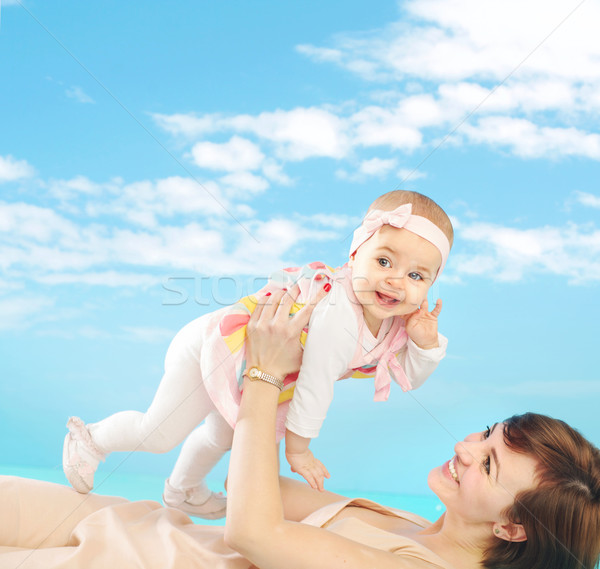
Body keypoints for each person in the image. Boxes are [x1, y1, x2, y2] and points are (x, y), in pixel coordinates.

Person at [3, 288, 600, 569]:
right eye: (486, 435)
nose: (465, 448)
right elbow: (254, 494)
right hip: (129, 522)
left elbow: (253, 532)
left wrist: (266, 375)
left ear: (513, 526)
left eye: (489, 464)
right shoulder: (413, 526)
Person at [62, 190, 453, 519]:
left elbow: (408, 377)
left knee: (220, 436)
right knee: (160, 431)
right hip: (214, 350)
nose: (395, 280)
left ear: (431, 284)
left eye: (416, 275)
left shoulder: (396, 322)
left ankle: (181, 490)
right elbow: (316, 383)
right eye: (383, 261)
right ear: (354, 258)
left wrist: (424, 344)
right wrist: (298, 450)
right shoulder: (339, 313)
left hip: (252, 372)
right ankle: (90, 439)